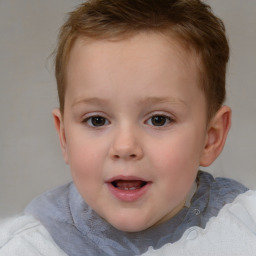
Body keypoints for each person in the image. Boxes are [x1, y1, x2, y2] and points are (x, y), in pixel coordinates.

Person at [1, 0, 256, 255]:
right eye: (97, 120)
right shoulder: (30, 247)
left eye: (159, 119)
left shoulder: (244, 229)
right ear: (64, 137)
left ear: (210, 138)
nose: (124, 147)